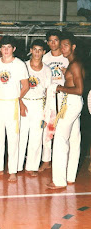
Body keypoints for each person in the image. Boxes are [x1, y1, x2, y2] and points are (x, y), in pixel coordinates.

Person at [47, 32, 85, 189]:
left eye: (66, 45)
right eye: (61, 45)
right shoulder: (73, 64)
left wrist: (59, 87)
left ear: (73, 46)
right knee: (74, 140)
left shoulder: (75, 64)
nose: (63, 48)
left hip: (71, 103)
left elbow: (79, 89)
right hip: (74, 103)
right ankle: (70, 177)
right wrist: (66, 75)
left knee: (60, 140)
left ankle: (59, 181)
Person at [0, 36, 29, 182]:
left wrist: (18, 100)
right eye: (3, 47)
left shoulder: (19, 64)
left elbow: (25, 86)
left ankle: (12, 170)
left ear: (14, 49)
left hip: (11, 104)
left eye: (9, 47)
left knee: (13, 138)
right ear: (0, 49)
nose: (6, 50)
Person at [18, 39, 52, 177]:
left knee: (36, 137)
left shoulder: (47, 70)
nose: (37, 53)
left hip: (39, 104)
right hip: (24, 103)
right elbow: (18, 88)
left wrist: (46, 113)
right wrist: (19, 103)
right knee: (21, 135)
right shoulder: (23, 66)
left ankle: (31, 166)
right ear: (31, 50)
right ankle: (17, 165)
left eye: (40, 50)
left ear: (44, 52)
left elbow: (49, 92)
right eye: (35, 49)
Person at [39, 30, 69, 172]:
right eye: (50, 41)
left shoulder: (66, 57)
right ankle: (46, 160)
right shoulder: (45, 58)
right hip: (50, 96)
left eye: (56, 40)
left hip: (64, 95)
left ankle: (62, 159)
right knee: (48, 129)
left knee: (63, 129)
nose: (53, 43)